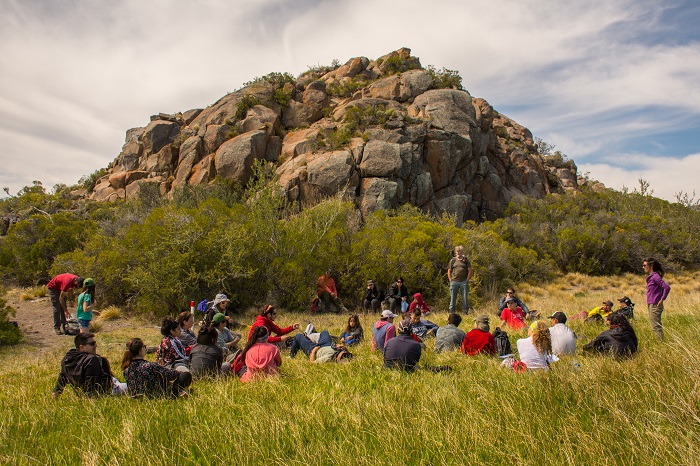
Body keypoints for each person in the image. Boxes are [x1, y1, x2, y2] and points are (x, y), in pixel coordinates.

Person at [52, 332, 126, 398]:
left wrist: (55, 394)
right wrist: (91, 401)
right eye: (92, 343)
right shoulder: (91, 359)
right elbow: (91, 384)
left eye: (95, 343)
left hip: (85, 393)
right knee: (135, 387)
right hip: (111, 389)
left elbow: (62, 377)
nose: (95, 345)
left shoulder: (67, 358)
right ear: (81, 347)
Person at [122, 338, 192, 398]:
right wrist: (181, 373)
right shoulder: (150, 366)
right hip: (156, 395)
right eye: (144, 346)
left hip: (135, 396)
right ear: (141, 350)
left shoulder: (126, 368)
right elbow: (171, 375)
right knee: (186, 375)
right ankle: (175, 395)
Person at [644, 257, 671, 339]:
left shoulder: (655, 276)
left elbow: (666, 287)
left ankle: (660, 343)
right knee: (654, 325)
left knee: (656, 326)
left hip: (655, 304)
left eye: (645, 265)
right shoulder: (652, 277)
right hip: (651, 304)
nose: (643, 267)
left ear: (651, 266)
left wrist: (662, 299)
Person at [447, 245, 472, 314]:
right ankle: (452, 312)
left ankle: (465, 311)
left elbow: (470, 270)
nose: (458, 252)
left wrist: (467, 280)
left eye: (459, 251)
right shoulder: (453, 260)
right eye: (457, 251)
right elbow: (449, 270)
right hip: (454, 281)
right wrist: (450, 279)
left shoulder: (466, 260)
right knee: (453, 298)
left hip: (463, 282)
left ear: (462, 252)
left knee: (465, 297)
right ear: (455, 252)